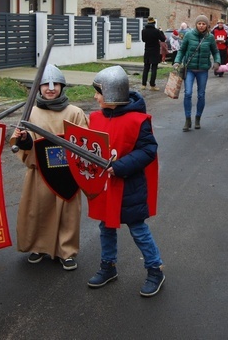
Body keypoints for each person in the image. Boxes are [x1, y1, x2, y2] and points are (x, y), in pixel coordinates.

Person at [86, 66, 165, 297]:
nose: (95, 97)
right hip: (105, 186)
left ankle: (155, 269)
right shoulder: (95, 117)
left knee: (138, 229)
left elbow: (148, 150)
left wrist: (120, 166)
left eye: (98, 92)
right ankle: (108, 266)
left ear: (111, 93)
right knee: (106, 227)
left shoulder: (138, 120)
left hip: (129, 185)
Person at [9, 64, 88, 270]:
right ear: (39, 88)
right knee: (39, 209)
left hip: (68, 172)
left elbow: (85, 140)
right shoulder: (31, 113)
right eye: (45, 84)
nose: (50, 88)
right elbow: (19, 142)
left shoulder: (75, 112)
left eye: (55, 84)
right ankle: (39, 246)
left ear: (62, 86)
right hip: (40, 171)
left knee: (68, 213)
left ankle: (67, 251)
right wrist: (25, 140)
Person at [173, 15, 220, 132]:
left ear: (207, 25)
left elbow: (215, 52)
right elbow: (182, 50)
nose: (201, 26)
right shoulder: (189, 35)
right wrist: (177, 61)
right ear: (196, 24)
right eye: (199, 23)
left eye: (203, 24)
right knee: (188, 93)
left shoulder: (210, 37)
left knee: (201, 95)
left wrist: (217, 62)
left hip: (203, 70)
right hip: (189, 69)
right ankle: (187, 119)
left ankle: (198, 118)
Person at [140, 17, 166, 90]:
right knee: (154, 68)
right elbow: (163, 39)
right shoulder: (156, 31)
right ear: (154, 23)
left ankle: (143, 84)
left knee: (146, 68)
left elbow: (143, 40)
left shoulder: (143, 31)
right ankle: (152, 85)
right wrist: (161, 31)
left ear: (148, 22)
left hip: (147, 50)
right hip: (155, 51)